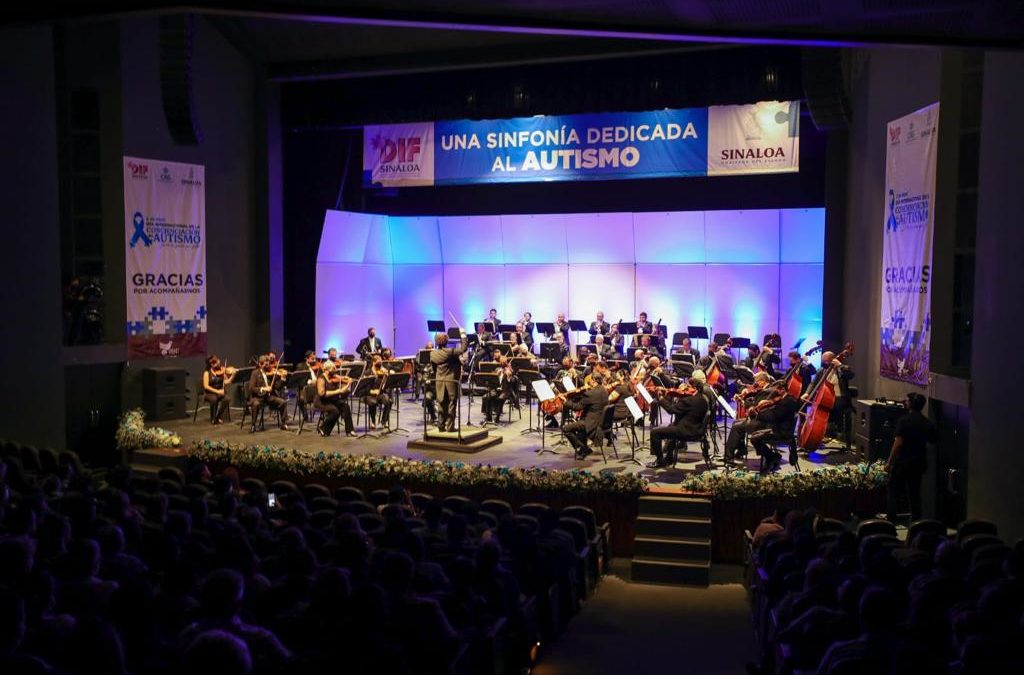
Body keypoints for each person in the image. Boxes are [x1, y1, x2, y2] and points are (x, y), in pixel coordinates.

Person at [885, 393, 937, 522]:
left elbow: (898, 443)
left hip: (903, 462)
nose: (905, 402)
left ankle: (891, 522)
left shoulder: (904, 420)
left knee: (893, 490)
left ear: (911, 404)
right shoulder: (927, 423)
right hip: (918, 463)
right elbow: (933, 440)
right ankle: (915, 525)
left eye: (907, 400)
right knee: (914, 494)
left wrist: (889, 463)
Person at [648, 376, 709, 468]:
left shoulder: (688, 401)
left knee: (655, 433)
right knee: (672, 426)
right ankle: (669, 457)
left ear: (695, 388)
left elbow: (671, 410)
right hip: (697, 429)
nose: (685, 388)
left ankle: (660, 460)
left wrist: (660, 398)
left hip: (686, 431)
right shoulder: (703, 399)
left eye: (688, 386)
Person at [562, 374, 610, 459]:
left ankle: (583, 448)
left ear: (593, 381)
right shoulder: (604, 390)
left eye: (590, 380)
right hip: (600, 421)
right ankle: (583, 448)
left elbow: (577, 407)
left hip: (591, 423)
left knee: (566, 428)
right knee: (580, 424)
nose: (588, 382)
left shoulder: (590, 394)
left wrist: (566, 402)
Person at [430, 330, 467, 432]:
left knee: (441, 402)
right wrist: (463, 334)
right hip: (450, 381)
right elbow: (464, 348)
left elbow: (434, 368)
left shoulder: (433, 354)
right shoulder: (450, 351)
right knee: (452, 402)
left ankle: (441, 425)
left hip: (439, 380)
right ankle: (450, 427)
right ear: (446, 341)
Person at [247, 356, 289, 431]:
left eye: (268, 364)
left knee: (283, 402)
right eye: (265, 365)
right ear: (260, 365)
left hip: (268, 397)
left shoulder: (270, 374)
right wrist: (263, 388)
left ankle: (283, 423)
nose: (268, 366)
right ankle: (253, 425)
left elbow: (277, 387)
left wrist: (283, 378)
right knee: (256, 404)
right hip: (258, 397)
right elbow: (252, 388)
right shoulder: (255, 373)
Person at [315, 360, 354, 436]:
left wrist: (347, 379)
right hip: (322, 401)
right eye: (333, 369)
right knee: (335, 411)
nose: (335, 371)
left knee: (345, 406)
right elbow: (322, 393)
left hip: (332, 400)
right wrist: (338, 391)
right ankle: (322, 428)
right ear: (327, 370)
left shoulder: (333, 376)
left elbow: (342, 378)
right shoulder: (321, 379)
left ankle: (350, 430)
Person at [481, 355, 515, 423]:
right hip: (496, 390)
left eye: (504, 363)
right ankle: (488, 417)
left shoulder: (509, 371)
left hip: (505, 391)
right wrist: (496, 374)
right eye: (501, 363)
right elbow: (492, 380)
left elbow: (512, 382)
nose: (502, 365)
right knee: (486, 397)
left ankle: (497, 418)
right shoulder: (497, 369)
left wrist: (508, 376)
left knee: (500, 399)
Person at [364, 354, 392, 430]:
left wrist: (387, 375)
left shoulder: (382, 371)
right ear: (373, 363)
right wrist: (372, 391)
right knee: (372, 402)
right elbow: (364, 388)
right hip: (369, 395)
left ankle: (384, 421)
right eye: (377, 363)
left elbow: (386, 385)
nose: (379, 365)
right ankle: (373, 421)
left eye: (380, 363)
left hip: (380, 394)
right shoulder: (368, 372)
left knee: (389, 401)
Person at [202, 355, 233, 424]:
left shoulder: (221, 371)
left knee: (227, 398)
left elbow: (227, 382)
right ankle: (213, 418)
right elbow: (206, 386)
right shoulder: (206, 373)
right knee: (214, 399)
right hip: (209, 393)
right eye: (216, 362)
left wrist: (233, 375)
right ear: (212, 364)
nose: (218, 363)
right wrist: (217, 391)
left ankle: (218, 416)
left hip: (219, 393)